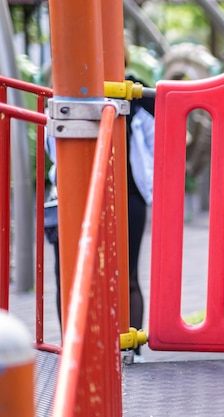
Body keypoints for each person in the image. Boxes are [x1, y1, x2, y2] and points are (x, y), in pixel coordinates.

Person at [44, 49, 155, 363]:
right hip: (72, 191)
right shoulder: (66, 94)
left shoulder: (136, 96)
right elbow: (53, 147)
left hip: (127, 193)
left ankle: (129, 348)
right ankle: (74, 350)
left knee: (127, 274)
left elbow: (155, 142)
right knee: (68, 274)